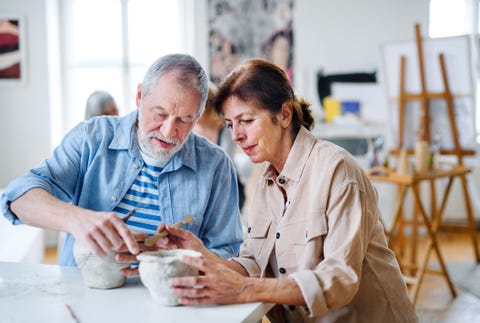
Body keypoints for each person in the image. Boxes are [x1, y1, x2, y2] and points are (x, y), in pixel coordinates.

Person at [154, 59, 417, 322]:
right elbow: (253, 265)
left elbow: (339, 279)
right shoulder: (267, 183)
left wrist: (245, 290)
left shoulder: (336, 169)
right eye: (231, 124)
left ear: (284, 114)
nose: (236, 135)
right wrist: (200, 253)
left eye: (246, 120)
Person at [0, 54, 243, 272]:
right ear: (139, 96)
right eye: (159, 114)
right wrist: (76, 219)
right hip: (84, 293)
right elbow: (17, 198)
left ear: (198, 117)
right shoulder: (92, 138)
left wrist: (185, 260)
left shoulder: (216, 165)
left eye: (184, 120)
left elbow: (228, 255)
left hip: (174, 301)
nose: (169, 131)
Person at [194, 83, 246, 211]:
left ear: (207, 108)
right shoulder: (192, 130)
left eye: (198, 110)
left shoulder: (227, 130)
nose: (194, 114)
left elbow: (224, 163)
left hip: (227, 184)